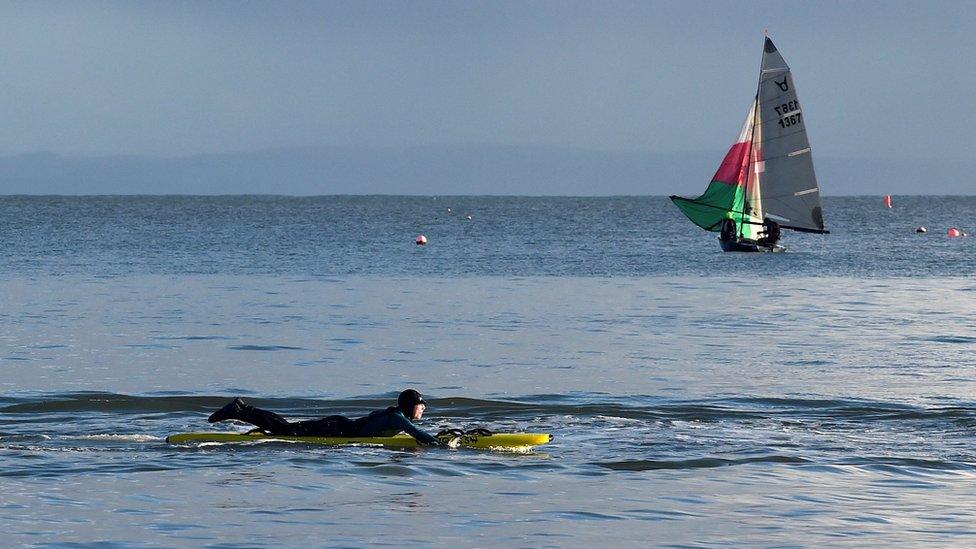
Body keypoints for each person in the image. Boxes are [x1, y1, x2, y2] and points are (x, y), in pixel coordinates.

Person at [207, 389, 440, 446]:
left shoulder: (393, 414)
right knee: (287, 432)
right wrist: (440, 446)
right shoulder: (398, 418)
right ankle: (240, 410)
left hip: (339, 425)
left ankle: (242, 410)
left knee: (286, 429)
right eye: (422, 405)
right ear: (411, 406)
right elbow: (418, 434)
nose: (424, 409)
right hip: (337, 429)